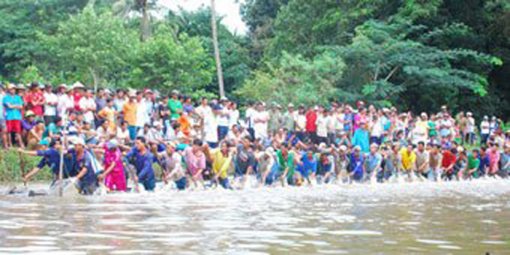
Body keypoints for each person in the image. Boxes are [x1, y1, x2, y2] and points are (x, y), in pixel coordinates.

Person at [3, 83, 24, 148]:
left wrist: (13, 105)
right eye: (11, 89)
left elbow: (21, 106)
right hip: (9, 116)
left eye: (14, 89)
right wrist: (16, 105)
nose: (13, 90)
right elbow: (9, 106)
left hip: (17, 116)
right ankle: (10, 144)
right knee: (9, 131)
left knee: (18, 131)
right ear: (9, 90)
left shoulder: (18, 97)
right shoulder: (6, 97)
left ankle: (21, 144)